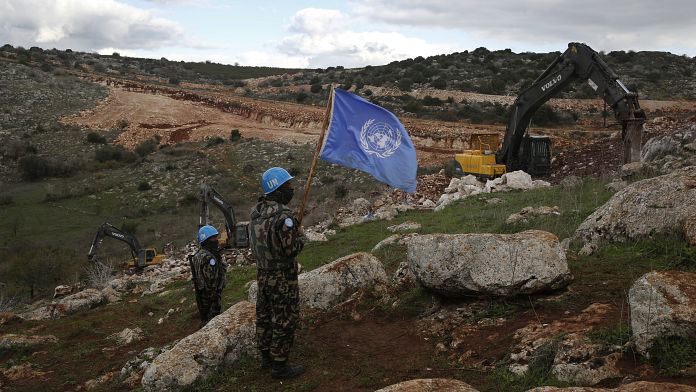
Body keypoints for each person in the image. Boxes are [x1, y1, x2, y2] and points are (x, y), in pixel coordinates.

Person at [249, 167, 305, 379]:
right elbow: (291, 249)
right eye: (288, 186)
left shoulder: (256, 212)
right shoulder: (284, 216)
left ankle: (266, 357)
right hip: (282, 277)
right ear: (278, 189)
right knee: (284, 319)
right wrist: (300, 236)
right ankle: (280, 366)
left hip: (262, 274)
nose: (291, 190)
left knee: (264, 316)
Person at [190, 225, 226, 328]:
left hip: (202, 293)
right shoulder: (209, 257)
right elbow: (210, 279)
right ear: (206, 240)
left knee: (206, 316)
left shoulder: (198, 254)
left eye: (216, 237)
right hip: (210, 295)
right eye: (213, 238)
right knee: (212, 320)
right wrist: (214, 295)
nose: (216, 240)